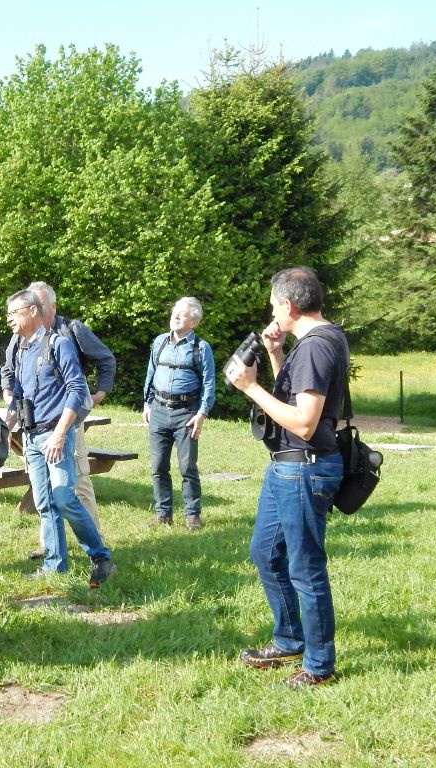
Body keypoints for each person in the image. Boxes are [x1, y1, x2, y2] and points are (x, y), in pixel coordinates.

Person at [225, 267, 348, 689]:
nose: (272, 313)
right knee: (266, 552)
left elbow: (306, 422)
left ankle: (318, 666)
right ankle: (290, 638)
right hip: (288, 466)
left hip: (304, 467)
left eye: (274, 305)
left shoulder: (316, 347)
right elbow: (296, 396)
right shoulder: (318, 340)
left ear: (289, 306)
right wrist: (277, 356)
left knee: (305, 567)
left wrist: (250, 388)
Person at [5, 290, 114, 586]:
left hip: (56, 434)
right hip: (31, 436)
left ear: (32, 311)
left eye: (13, 313)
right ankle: (55, 564)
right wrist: (6, 428)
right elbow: (17, 395)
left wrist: (60, 434)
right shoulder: (19, 349)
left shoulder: (59, 344)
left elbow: (77, 391)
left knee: (65, 496)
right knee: (44, 503)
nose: (8, 320)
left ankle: (100, 556)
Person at [142, 297, 216, 529]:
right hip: (159, 411)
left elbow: (209, 384)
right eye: (175, 312)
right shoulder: (160, 342)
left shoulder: (201, 348)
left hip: (186, 414)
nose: (175, 316)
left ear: (193, 322)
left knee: (187, 467)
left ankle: (192, 515)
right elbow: (151, 373)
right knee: (158, 467)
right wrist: (147, 404)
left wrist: (202, 414)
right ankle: (163, 513)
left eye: (182, 314)